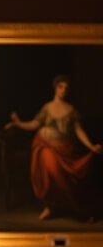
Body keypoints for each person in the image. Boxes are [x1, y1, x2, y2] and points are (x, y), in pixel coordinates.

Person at [6, 74, 102, 221]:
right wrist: (18, 123)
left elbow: (79, 131)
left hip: (66, 149)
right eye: (60, 86)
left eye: (66, 88)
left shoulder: (71, 110)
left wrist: (91, 146)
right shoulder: (47, 108)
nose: (63, 90)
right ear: (55, 88)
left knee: (69, 174)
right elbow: (35, 124)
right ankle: (51, 206)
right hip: (46, 145)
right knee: (50, 165)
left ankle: (76, 209)